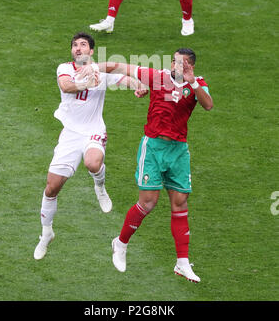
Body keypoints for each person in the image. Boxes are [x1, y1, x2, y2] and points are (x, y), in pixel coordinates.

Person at [80, 48, 213, 282]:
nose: (175, 66)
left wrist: (192, 84)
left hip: (179, 151)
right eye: (174, 61)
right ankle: (120, 244)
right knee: (148, 202)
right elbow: (118, 67)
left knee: (180, 203)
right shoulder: (158, 77)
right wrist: (92, 67)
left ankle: (182, 262)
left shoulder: (198, 84)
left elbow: (208, 105)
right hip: (153, 148)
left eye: (181, 63)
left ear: (191, 66)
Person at [34, 32, 147, 260]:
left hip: (94, 130)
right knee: (51, 188)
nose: (78, 48)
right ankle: (46, 233)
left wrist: (139, 85)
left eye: (83, 45)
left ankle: (100, 188)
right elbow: (66, 87)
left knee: (93, 163)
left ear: (91, 51)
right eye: (75, 45)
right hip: (71, 134)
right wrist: (86, 81)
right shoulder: (64, 68)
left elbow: (125, 80)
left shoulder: (100, 70)